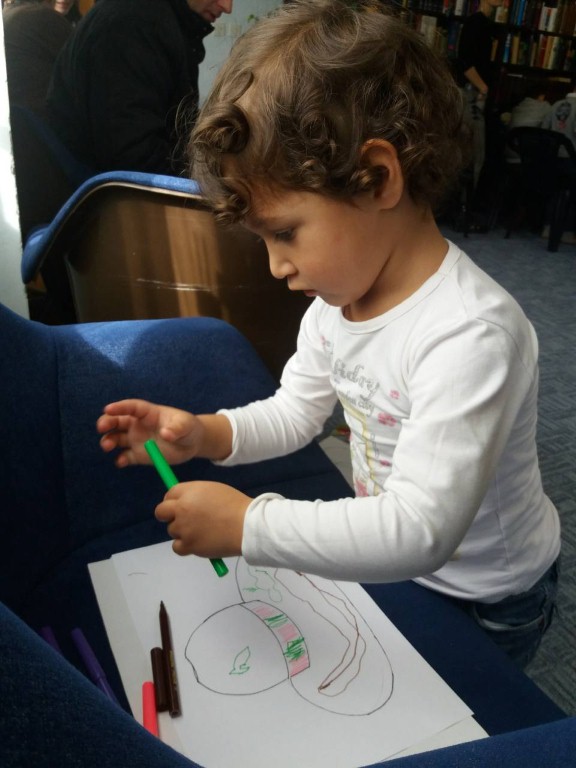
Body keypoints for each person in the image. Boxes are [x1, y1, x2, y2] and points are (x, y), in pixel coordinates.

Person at [97, 0, 561, 669]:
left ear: (377, 179)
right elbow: (294, 413)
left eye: (285, 233)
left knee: (476, 710)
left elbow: (419, 529)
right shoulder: (333, 307)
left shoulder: (470, 335)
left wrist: (249, 524)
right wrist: (203, 434)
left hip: (489, 595)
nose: (276, 266)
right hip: (400, 562)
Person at [46, 0, 233, 176]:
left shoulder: (157, 22)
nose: (227, 6)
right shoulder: (134, 25)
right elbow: (135, 160)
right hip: (106, 194)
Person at [456, 0, 503, 190]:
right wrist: (483, 88)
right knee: (474, 155)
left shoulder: (487, 25)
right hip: (471, 94)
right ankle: (464, 202)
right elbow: (464, 62)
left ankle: (464, 201)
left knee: (474, 155)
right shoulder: (475, 23)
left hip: (475, 94)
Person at [2, 0, 72, 114]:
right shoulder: (44, 17)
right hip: (40, 119)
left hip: (17, 118)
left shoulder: (7, 14)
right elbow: (84, 69)